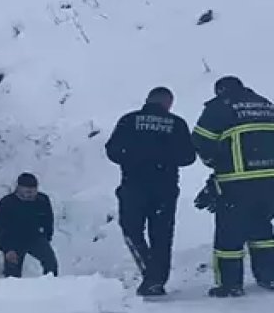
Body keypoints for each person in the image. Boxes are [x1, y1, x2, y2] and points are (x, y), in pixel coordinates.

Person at [104, 86, 197, 296]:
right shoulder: (177, 123)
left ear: (148, 100)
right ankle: (157, 279)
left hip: (134, 185)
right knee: (162, 235)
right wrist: (164, 157)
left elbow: (112, 151)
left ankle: (150, 272)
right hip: (165, 188)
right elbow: (188, 158)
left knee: (131, 229)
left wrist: (134, 157)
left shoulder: (129, 120)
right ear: (168, 103)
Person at [191, 75, 274, 297]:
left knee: (229, 233)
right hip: (270, 181)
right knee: (262, 229)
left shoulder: (221, 107)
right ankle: (269, 276)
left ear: (221, 91)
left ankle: (230, 284)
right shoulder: (265, 104)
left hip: (237, 182)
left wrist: (214, 163)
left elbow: (200, 140)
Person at [0, 173, 58, 278]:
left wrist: (46, 238)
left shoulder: (42, 200)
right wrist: (7, 249)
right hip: (12, 241)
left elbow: (48, 221)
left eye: (33, 191)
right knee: (12, 276)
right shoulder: (7, 203)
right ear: (19, 189)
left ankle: (50, 287)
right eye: (27, 191)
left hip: (35, 238)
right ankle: (13, 292)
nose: (30, 194)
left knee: (51, 263)